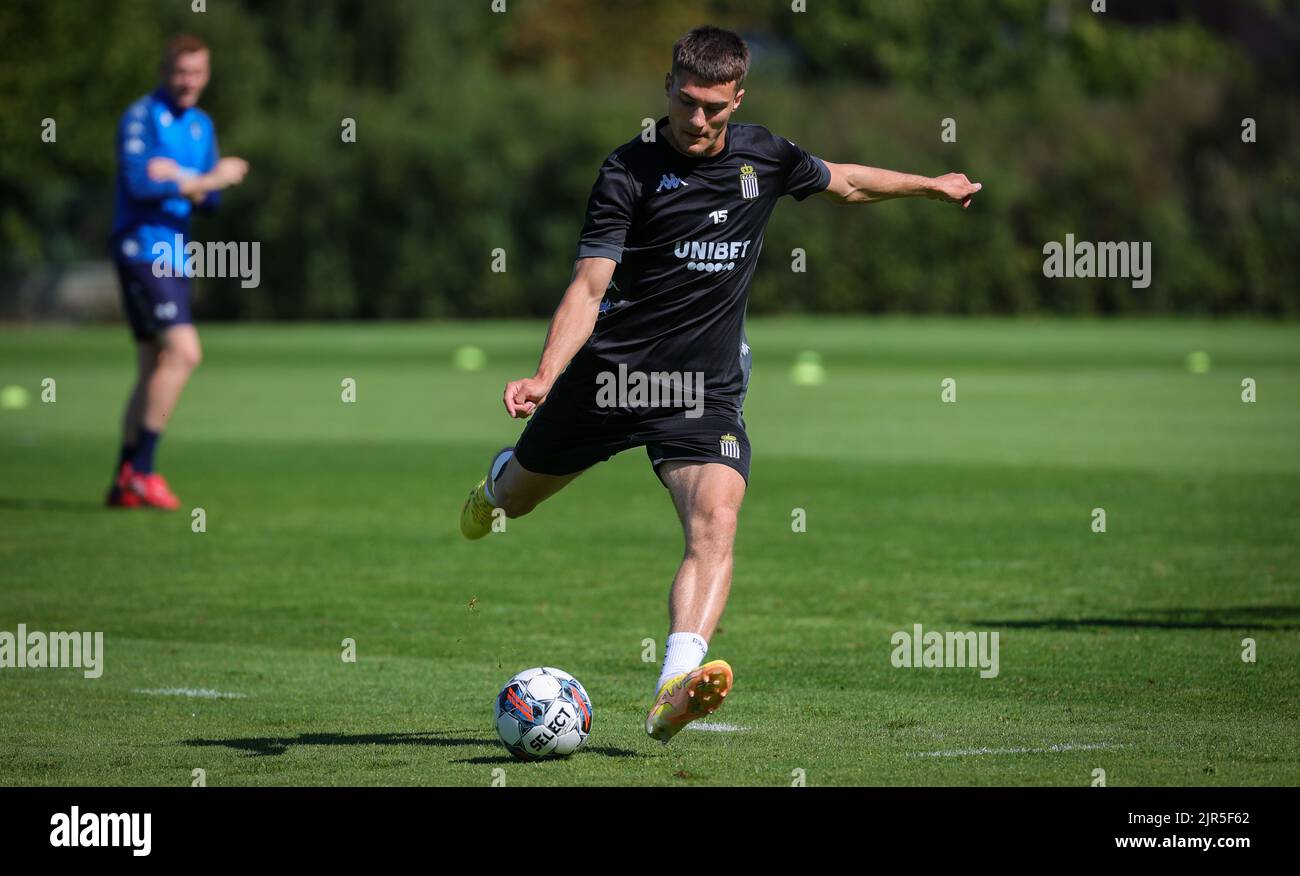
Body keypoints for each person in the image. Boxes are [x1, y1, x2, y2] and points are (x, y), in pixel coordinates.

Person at [460, 25, 981, 743]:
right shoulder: (627, 171)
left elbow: (847, 180)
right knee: (515, 501)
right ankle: (495, 484)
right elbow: (588, 286)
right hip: (609, 381)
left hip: (700, 390)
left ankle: (675, 682)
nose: (697, 120)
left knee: (717, 517)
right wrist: (547, 373)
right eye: (686, 102)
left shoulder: (764, 155)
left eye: (714, 107)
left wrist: (929, 184)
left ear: (739, 96)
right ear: (668, 86)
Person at [106, 33, 249, 510]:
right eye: (180, 71)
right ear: (164, 70)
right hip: (140, 250)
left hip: (175, 254)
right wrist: (203, 180)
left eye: (197, 72)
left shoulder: (201, 125)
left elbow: (211, 203)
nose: (188, 81)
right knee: (185, 352)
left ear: (206, 75)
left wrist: (190, 182)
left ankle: (124, 480)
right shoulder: (142, 116)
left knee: (154, 365)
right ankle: (143, 471)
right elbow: (138, 183)